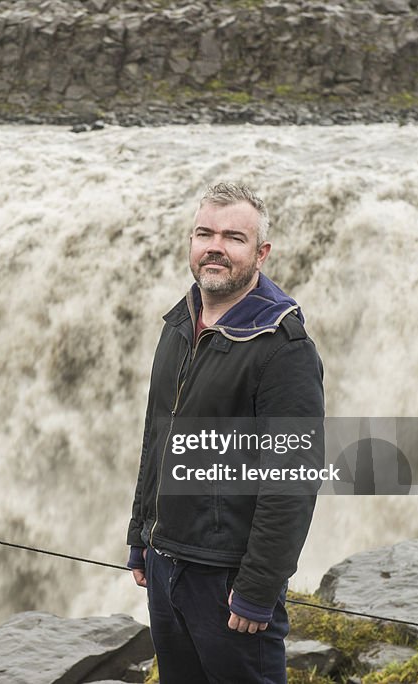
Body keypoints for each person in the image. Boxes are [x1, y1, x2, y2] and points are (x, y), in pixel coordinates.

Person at [126, 183, 325, 684]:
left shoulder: (283, 346)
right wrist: (141, 534)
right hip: (166, 561)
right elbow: (157, 438)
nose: (215, 246)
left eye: (233, 237)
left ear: (260, 253)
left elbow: (293, 480)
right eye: (204, 233)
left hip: (228, 581)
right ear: (191, 243)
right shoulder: (180, 322)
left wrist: (259, 586)